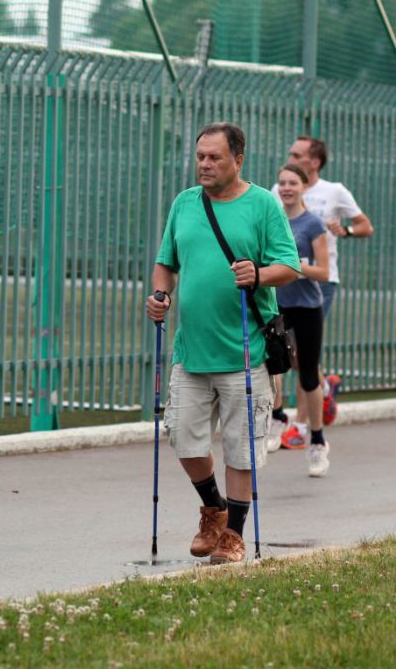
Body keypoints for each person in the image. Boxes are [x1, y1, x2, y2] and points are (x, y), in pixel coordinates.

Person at [146, 122, 299, 564]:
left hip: (244, 352)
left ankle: (233, 534)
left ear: (238, 159)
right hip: (190, 351)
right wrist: (160, 296)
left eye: (215, 157)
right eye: (200, 157)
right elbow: (165, 264)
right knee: (184, 440)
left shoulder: (262, 205)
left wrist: (259, 273)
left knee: (241, 446)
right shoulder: (185, 203)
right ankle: (212, 509)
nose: (205, 165)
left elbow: (289, 266)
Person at [271, 137, 374, 428]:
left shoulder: (334, 191)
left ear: (314, 162)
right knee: (291, 355)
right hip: (284, 281)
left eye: (297, 154)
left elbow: (367, 226)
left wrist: (347, 230)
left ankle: (302, 424)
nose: (290, 157)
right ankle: (325, 388)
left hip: (320, 282)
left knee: (302, 354)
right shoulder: (281, 189)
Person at [270, 165, 332, 478]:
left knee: (307, 376)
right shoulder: (273, 218)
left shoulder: (313, 224)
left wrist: (293, 266)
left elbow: (324, 272)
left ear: (304, 187)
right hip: (278, 304)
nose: (286, 187)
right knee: (274, 364)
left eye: (292, 182)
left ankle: (318, 442)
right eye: (281, 182)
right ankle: (278, 417)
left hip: (307, 307)